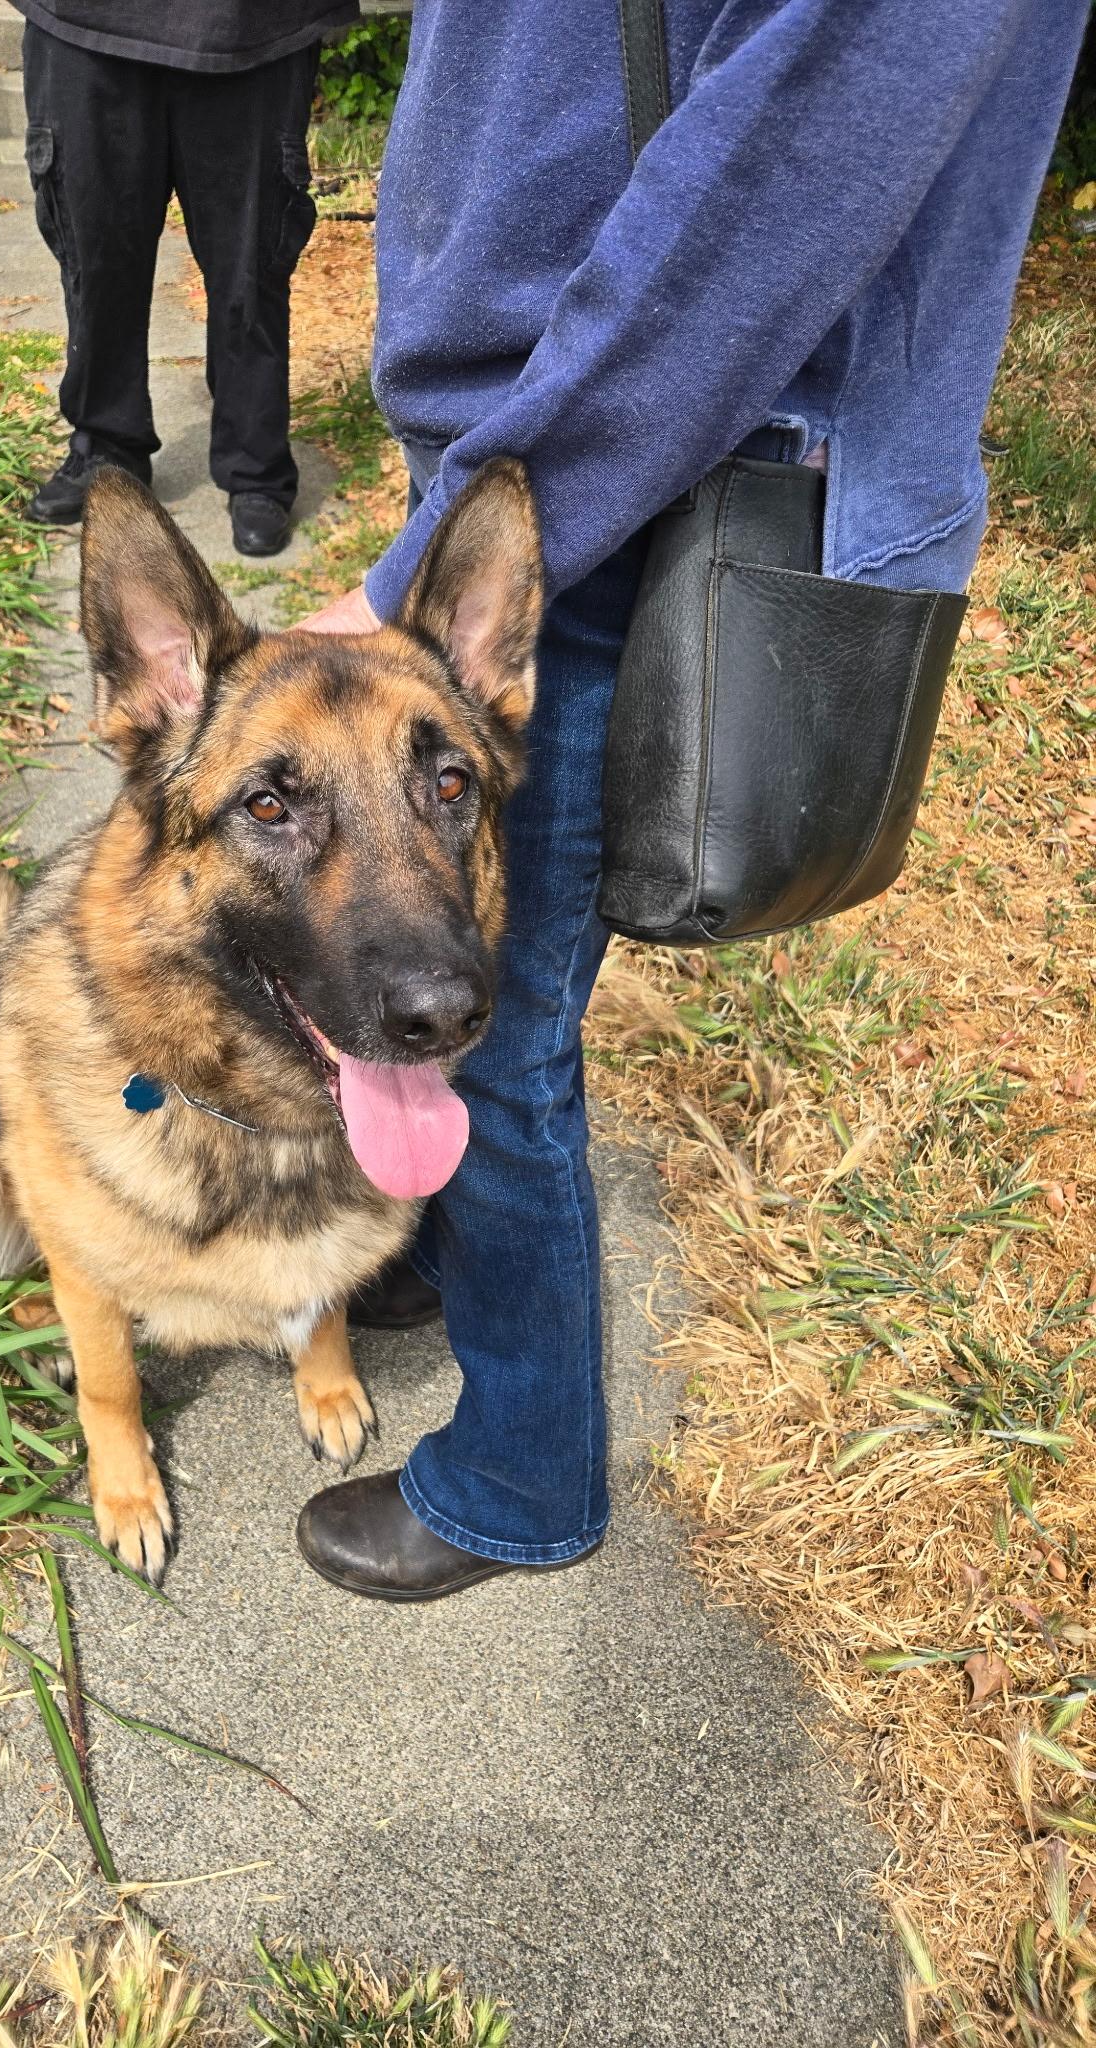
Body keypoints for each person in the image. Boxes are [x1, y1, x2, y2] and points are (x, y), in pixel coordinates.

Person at [292, 0, 1090, 1601]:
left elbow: (795, 158)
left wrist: (485, 517)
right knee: (463, 1015)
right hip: (551, 450)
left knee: (491, 1025)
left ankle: (520, 1478)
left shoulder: (589, 463)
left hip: (635, 473)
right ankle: (442, 1247)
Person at [14, 0, 352, 555]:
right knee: (96, 257)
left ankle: (255, 463)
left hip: (253, 26)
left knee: (251, 264)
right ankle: (105, 443)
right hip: (81, 23)